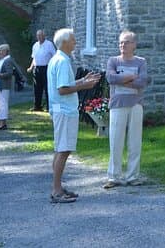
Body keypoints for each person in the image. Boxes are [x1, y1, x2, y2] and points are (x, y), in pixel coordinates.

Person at [47, 28, 101, 204]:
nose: (75, 43)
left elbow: (65, 84)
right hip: (65, 110)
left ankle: (58, 187)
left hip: (60, 109)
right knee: (63, 149)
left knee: (60, 148)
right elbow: (63, 89)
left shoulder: (57, 59)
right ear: (64, 42)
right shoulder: (62, 61)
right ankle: (56, 191)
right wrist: (84, 86)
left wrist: (83, 80)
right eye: (73, 40)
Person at [103, 30, 151, 189]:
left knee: (135, 141)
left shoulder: (141, 62)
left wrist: (122, 80)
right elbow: (111, 78)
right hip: (118, 104)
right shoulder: (113, 61)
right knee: (116, 140)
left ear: (134, 45)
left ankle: (132, 176)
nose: (122, 45)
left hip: (136, 104)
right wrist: (131, 78)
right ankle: (114, 176)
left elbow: (142, 82)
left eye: (126, 42)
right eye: (121, 42)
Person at [0, 44, 17, 130]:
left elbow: (9, 73)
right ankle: (0, 122)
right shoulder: (2, 60)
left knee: (2, 104)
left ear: (6, 51)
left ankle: (3, 124)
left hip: (3, 86)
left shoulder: (7, 60)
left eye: (1, 50)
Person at [28, 29, 55, 111]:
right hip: (37, 68)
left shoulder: (49, 44)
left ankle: (49, 106)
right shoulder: (35, 45)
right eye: (38, 35)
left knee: (47, 88)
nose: (39, 37)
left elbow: (54, 56)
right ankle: (37, 106)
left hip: (46, 68)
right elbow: (34, 59)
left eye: (41, 35)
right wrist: (31, 67)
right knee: (37, 88)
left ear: (44, 36)